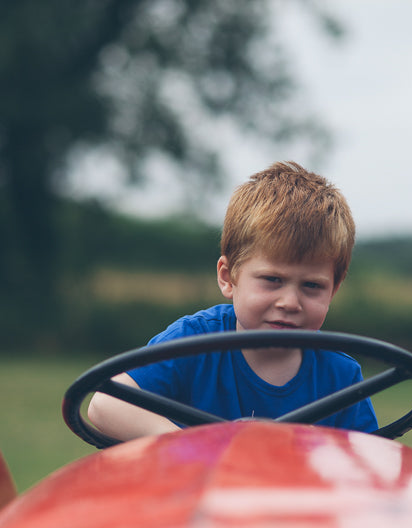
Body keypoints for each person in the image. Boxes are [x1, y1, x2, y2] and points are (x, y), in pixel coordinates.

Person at [87, 161, 378, 439]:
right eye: (272, 280)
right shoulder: (193, 343)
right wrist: (191, 444)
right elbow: (104, 406)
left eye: (312, 285)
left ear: (334, 290)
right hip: (196, 489)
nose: (290, 302)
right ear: (228, 277)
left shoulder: (340, 376)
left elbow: (370, 460)